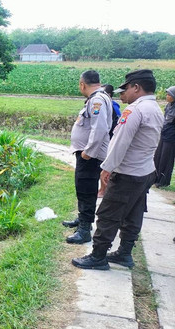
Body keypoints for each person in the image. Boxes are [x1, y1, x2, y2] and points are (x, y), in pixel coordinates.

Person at [72, 69, 163, 270]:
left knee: (107, 214)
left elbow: (120, 143)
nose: (124, 94)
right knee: (133, 213)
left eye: (127, 89)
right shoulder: (156, 108)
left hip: (128, 173)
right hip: (145, 171)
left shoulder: (135, 110)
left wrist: (107, 168)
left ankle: (98, 256)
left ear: (136, 88)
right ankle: (124, 253)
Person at [62, 70, 112, 244]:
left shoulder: (97, 100)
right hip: (88, 155)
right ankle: (83, 220)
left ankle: (84, 230)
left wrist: (87, 153)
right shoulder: (98, 98)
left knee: (86, 190)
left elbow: (99, 129)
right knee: (83, 189)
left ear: (82, 84)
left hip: (90, 156)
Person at [97, 84, 122, 197]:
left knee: (106, 167)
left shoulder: (114, 106)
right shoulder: (103, 104)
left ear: (109, 94)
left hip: (110, 139)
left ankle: (103, 190)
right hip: (105, 139)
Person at [153, 86, 175, 188]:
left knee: (166, 158)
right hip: (164, 133)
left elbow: (169, 121)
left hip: (171, 137)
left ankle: (163, 181)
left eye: (169, 95)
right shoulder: (169, 106)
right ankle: (155, 178)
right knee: (158, 156)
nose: (167, 96)